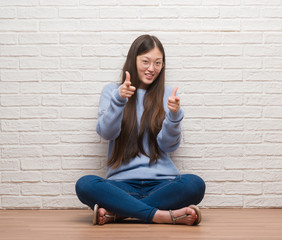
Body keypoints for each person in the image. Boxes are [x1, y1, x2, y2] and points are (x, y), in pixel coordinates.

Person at [75, 34, 206, 226]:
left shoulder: (168, 94)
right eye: (146, 61)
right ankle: (161, 215)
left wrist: (174, 117)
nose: (152, 68)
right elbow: (107, 133)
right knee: (85, 184)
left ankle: (119, 214)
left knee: (195, 184)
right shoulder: (113, 91)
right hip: (121, 185)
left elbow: (168, 145)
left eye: (158, 63)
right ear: (133, 60)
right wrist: (119, 101)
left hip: (163, 185)